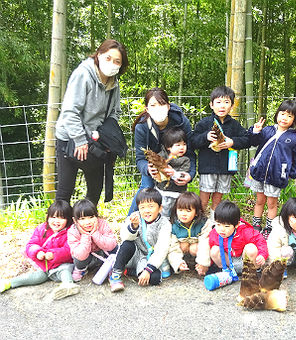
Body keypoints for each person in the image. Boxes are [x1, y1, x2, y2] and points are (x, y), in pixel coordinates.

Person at [55, 39, 129, 205]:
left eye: (117, 61)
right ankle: (60, 228)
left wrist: (103, 135)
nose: (111, 63)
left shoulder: (114, 83)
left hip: (95, 141)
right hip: (70, 138)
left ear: (121, 66)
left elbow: (115, 113)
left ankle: (86, 227)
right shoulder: (83, 74)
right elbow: (70, 111)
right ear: (99, 55)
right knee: (65, 191)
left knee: (95, 190)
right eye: (108, 58)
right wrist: (80, 140)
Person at [129, 87, 196, 214]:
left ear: (168, 106)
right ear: (147, 109)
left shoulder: (182, 123)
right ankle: (132, 223)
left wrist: (190, 175)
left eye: (161, 104)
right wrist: (148, 169)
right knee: (147, 190)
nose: (158, 108)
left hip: (178, 164)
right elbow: (140, 159)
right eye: (153, 105)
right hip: (154, 165)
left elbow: (190, 152)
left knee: (179, 196)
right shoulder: (142, 128)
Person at [188, 86, 251, 214]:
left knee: (218, 197)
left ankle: (213, 221)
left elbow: (247, 140)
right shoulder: (204, 123)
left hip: (226, 168)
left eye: (226, 102)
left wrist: (232, 142)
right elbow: (193, 141)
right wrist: (206, 137)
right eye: (218, 102)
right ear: (211, 105)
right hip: (207, 167)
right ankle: (200, 220)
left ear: (232, 106)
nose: (222, 106)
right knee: (204, 197)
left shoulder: (234, 125)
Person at [0, 200, 79, 300]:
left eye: (61, 218)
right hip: (44, 265)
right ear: (48, 217)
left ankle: (68, 286)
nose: (56, 221)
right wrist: (37, 252)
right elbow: (31, 244)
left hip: (60, 264)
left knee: (65, 270)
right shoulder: (41, 229)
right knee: (38, 277)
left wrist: (54, 255)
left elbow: (69, 250)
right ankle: (9, 283)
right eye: (53, 217)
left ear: (68, 219)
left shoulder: (70, 232)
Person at [248, 100, 296, 237]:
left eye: (290, 116)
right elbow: (253, 141)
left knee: (272, 203)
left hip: (276, 175)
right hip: (259, 172)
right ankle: (256, 224)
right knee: (259, 200)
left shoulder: (294, 138)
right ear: (277, 114)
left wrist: (292, 172)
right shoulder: (267, 130)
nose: (285, 118)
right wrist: (255, 131)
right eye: (282, 113)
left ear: (294, 119)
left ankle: (269, 228)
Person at [109, 188, 174, 292]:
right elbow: (124, 237)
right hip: (134, 254)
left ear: (160, 208)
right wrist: (134, 226)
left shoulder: (165, 224)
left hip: (149, 258)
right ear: (138, 208)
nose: (146, 210)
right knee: (127, 244)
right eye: (142, 207)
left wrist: (148, 270)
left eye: (151, 206)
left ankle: (131, 272)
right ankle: (115, 276)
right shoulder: (135, 217)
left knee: (155, 278)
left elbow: (162, 249)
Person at [208, 201, 268, 276]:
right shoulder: (215, 233)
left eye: (227, 226)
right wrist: (206, 264)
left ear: (237, 224)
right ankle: (224, 270)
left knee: (251, 248)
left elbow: (260, 241)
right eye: (218, 224)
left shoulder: (245, 231)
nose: (222, 229)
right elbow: (208, 247)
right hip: (229, 261)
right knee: (214, 250)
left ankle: (253, 272)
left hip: (244, 260)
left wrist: (262, 255)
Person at [67, 199, 118, 282]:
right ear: (75, 220)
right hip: (87, 258)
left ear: (96, 216)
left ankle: (111, 267)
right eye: (82, 219)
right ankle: (81, 270)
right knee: (78, 257)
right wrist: (85, 236)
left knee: (116, 248)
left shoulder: (102, 224)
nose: (87, 222)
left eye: (91, 217)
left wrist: (95, 233)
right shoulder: (73, 231)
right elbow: (80, 255)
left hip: (103, 255)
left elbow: (111, 245)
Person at [167, 192, 213, 276]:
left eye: (188, 211)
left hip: (197, 249)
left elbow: (205, 243)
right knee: (181, 245)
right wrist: (178, 263)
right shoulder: (173, 225)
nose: (183, 214)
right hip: (182, 249)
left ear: (196, 212)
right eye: (180, 210)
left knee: (195, 248)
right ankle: (184, 263)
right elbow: (173, 247)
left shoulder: (204, 223)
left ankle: (200, 265)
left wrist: (203, 263)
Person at [153, 128, 191, 219]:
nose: (182, 147)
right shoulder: (161, 156)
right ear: (168, 147)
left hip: (178, 192)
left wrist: (174, 173)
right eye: (178, 145)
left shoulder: (185, 160)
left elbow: (182, 175)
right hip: (162, 192)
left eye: (184, 144)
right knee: (163, 214)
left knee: (176, 214)